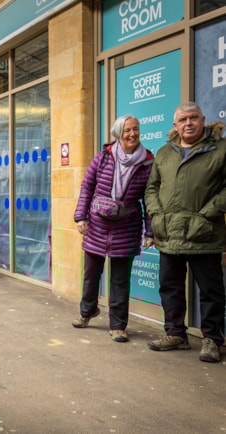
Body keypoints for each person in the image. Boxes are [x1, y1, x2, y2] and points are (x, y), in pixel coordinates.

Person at [145, 101, 226, 363]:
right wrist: (156, 213)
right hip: (169, 234)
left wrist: (208, 213)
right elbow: (151, 188)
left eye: (193, 118)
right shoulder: (164, 153)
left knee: (211, 291)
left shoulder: (220, 149)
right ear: (175, 125)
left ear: (203, 120)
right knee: (170, 287)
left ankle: (212, 339)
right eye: (183, 120)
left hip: (204, 233)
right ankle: (175, 334)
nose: (188, 123)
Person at [72, 114, 154, 342]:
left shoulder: (148, 162)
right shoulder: (103, 158)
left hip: (127, 228)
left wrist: (150, 231)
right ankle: (87, 311)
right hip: (96, 226)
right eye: (127, 130)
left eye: (135, 129)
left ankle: (118, 325)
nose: (132, 134)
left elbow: (150, 199)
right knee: (90, 275)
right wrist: (81, 217)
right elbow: (87, 187)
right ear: (118, 133)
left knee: (120, 280)